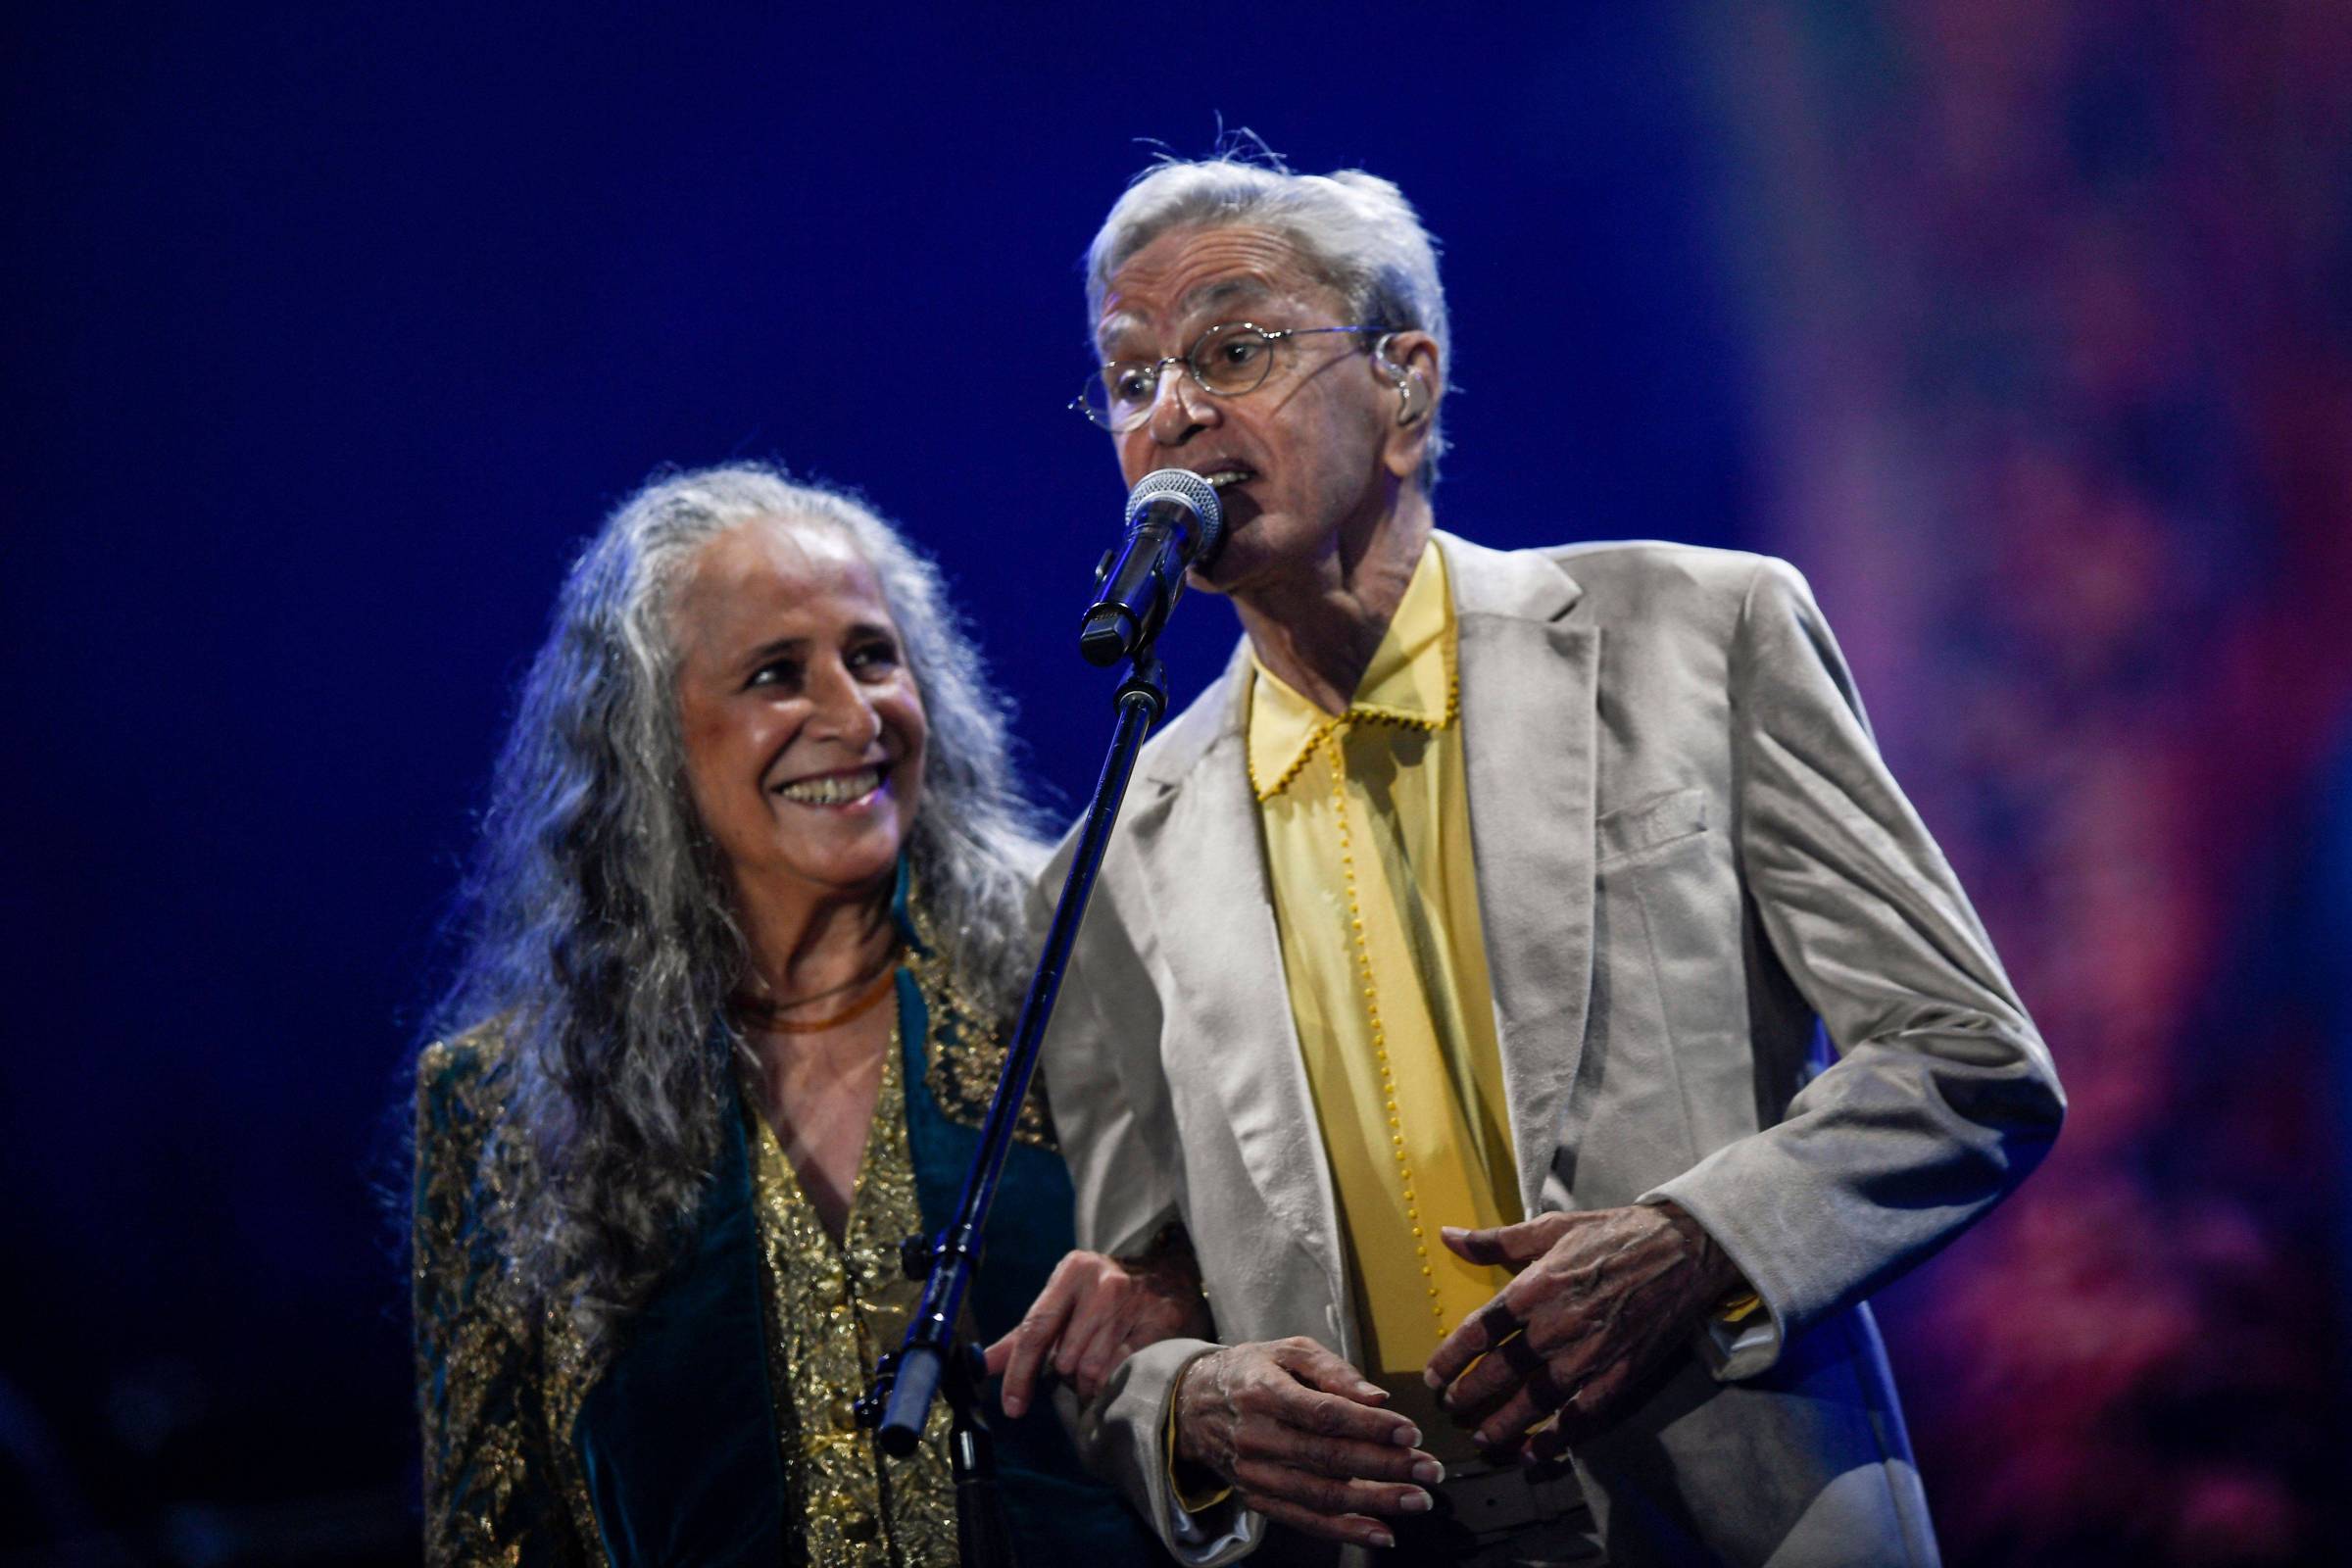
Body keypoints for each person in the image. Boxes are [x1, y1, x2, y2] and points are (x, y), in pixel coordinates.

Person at [991, 153, 2066, 1566]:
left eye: (1233, 349)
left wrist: (1701, 1246)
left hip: (1748, 1520)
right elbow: (1146, 1299)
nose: (1175, 412)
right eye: (1130, 381)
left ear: (1406, 384)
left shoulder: (1702, 634)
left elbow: (1964, 1057)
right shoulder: (1105, 867)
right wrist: (1189, 1406)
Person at [410, 465, 1186, 1565]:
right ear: (647, 740)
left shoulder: (1072, 977)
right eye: (777, 674)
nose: (850, 713)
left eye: (872, 656)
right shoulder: (507, 1104)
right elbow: (493, 1534)